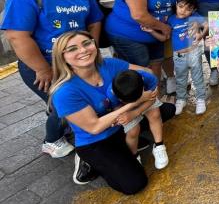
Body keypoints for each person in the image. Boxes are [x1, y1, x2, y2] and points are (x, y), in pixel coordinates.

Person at [2, 0, 103, 158]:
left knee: (78, 98)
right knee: (63, 103)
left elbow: (94, 20)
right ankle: (51, 140)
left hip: (78, 62)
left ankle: (68, 125)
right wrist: (42, 69)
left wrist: (90, 48)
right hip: (44, 65)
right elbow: (17, 37)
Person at [49, 31, 149, 193]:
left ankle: (124, 149)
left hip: (119, 125)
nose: (83, 50)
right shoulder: (65, 92)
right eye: (72, 49)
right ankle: (87, 161)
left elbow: (146, 72)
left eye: (87, 43)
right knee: (134, 184)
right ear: (62, 57)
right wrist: (135, 102)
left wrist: (142, 85)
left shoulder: (109, 64)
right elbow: (94, 127)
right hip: (95, 140)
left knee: (167, 110)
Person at [147, 0, 207, 115]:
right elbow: (165, 37)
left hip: (194, 52)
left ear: (193, 10)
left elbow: (207, 24)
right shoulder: (171, 19)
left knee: (198, 77)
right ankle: (181, 99)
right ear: (176, 5)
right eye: (181, 6)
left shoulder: (194, 16)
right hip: (179, 56)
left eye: (188, 9)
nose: (183, 11)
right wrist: (152, 31)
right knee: (180, 78)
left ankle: (201, 99)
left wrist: (201, 35)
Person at [109, 69, 168, 169]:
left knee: (155, 114)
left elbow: (153, 98)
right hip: (125, 108)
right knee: (132, 130)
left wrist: (135, 113)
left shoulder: (149, 78)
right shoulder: (112, 92)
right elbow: (118, 111)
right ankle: (134, 156)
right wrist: (123, 117)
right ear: (119, 99)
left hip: (146, 100)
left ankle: (159, 145)